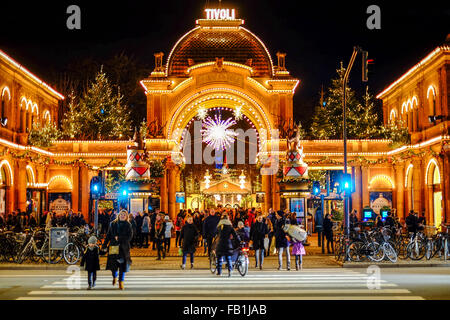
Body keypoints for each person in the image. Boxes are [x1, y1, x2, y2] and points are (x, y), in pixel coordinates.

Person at [102, 209, 133, 290]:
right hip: (113, 247)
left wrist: (119, 238)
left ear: (126, 217)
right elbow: (108, 235)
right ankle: (114, 276)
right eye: (121, 214)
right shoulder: (113, 224)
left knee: (122, 266)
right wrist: (104, 245)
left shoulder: (128, 225)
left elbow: (130, 237)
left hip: (123, 247)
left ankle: (121, 282)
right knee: (113, 265)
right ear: (118, 215)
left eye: (124, 215)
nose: (122, 216)